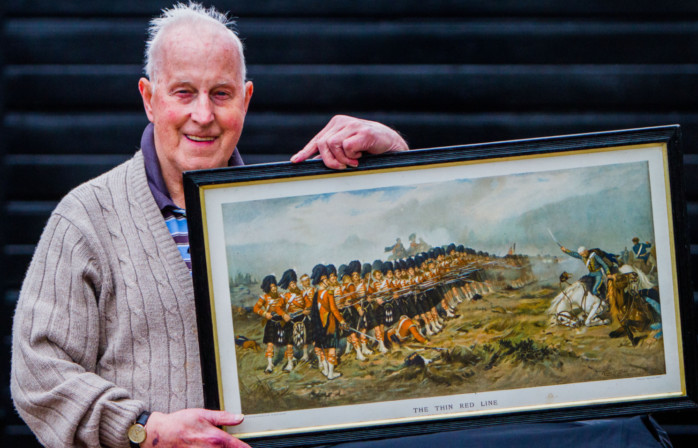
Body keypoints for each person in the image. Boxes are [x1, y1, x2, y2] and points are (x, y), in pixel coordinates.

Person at [10, 2, 408, 447]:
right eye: (183, 92)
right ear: (148, 98)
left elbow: (387, 232)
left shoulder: (283, 211)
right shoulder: (87, 218)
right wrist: (145, 429)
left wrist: (393, 159)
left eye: (221, 93)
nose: (203, 114)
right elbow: (38, 373)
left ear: (246, 99)